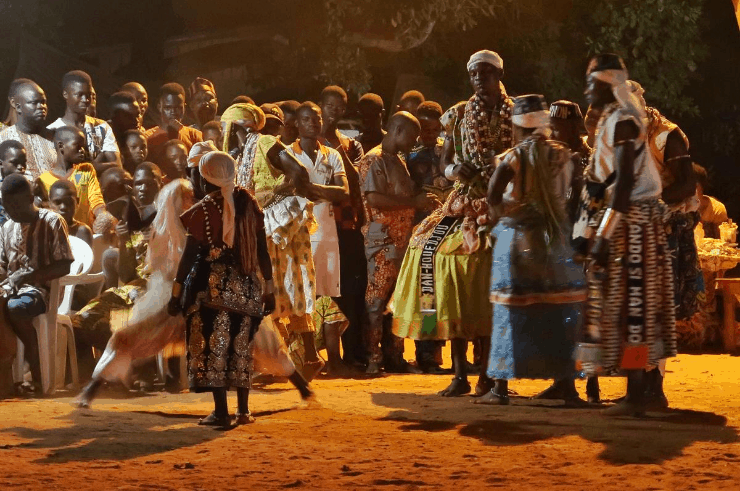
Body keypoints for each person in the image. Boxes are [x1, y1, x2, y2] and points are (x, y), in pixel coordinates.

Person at [392, 50, 514, 396]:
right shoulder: (458, 114)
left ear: (500, 74)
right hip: (463, 199)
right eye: (474, 73)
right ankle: (459, 373)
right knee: (429, 252)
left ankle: (493, 374)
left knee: (491, 277)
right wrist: (451, 170)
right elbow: (446, 160)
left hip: (503, 203)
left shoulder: (516, 113)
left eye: (486, 72)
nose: (479, 78)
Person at [580, 53, 676, 417]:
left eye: (591, 80)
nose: (586, 87)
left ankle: (638, 392)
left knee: (634, 309)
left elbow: (621, 189)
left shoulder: (624, 120)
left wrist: (602, 237)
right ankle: (636, 389)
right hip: (626, 219)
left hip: (633, 222)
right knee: (627, 310)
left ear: (607, 83)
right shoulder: (613, 118)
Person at [476, 94, 586, 406]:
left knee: (509, 313)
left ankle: (499, 388)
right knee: (561, 313)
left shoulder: (515, 156)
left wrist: (501, 218)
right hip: (559, 241)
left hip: (519, 241)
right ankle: (566, 385)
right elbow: (577, 195)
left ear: (518, 126)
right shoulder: (565, 155)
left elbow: (494, 191)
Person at [168, 151, 276, 428]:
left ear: (206, 180)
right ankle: (243, 411)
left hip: (211, 290)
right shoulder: (249, 203)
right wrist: (269, 289)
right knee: (240, 349)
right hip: (249, 286)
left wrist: (176, 293)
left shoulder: (203, 210)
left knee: (214, 348)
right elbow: (262, 252)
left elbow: (189, 256)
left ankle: (221, 412)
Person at [220, 103, 321, 379]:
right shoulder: (240, 155)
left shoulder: (264, 142)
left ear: (239, 126)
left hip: (281, 227)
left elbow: (298, 171)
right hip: (266, 227)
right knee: (278, 289)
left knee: (285, 286)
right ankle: (297, 358)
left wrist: (274, 197)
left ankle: (301, 358)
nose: (223, 132)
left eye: (226, 126)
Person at [359, 112, 440, 374]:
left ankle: (393, 357)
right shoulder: (374, 159)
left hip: (399, 239)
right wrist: (413, 203)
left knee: (396, 300)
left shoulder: (397, 159)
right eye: (411, 136)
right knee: (376, 300)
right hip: (382, 240)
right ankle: (373, 359)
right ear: (396, 130)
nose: (414, 142)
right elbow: (374, 199)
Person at [72, 163, 163, 378]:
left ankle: (139, 370)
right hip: (134, 290)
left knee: (129, 320)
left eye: (149, 183)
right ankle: (96, 371)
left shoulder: (170, 216)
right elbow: (127, 275)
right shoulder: (130, 218)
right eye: (138, 183)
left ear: (160, 183)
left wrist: (159, 243)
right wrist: (122, 241)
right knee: (82, 318)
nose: (142, 188)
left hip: (161, 289)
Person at [287, 101, 349, 375]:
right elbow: (291, 193)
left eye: (317, 118)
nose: (313, 122)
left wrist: (310, 187)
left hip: (327, 236)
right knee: (302, 298)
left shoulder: (332, 155)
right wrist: (327, 192)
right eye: (307, 119)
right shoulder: (288, 154)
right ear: (297, 124)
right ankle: (303, 359)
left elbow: (344, 193)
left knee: (328, 296)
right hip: (297, 236)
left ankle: (333, 360)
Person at [0, 174, 74, 391]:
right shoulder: (6, 228)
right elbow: (3, 265)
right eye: (7, 206)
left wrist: (29, 277)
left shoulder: (52, 222)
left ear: (30, 198)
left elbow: (65, 265)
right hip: (12, 288)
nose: (12, 211)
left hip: (43, 290)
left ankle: (36, 364)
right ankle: (7, 379)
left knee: (15, 308)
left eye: (16, 206)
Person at [318, 86, 368, 369]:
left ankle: (351, 354)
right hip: (319, 227)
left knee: (350, 290)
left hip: (346, 226)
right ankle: (326, 357)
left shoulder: (350, 145)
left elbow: (357, 179)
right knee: (323, 292)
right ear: (321, 106)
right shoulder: (306, 144)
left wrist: (336, 148)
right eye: (330, 106)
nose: (335, 111)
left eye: (340, 106)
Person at [406, 100, 450, 373]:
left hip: (447, 228)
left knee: (443, 291)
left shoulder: (448, 151)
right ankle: (425, 353)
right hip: (420, 230)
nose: (430, 134)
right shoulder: (408, 155)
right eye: (425, 129)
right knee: (427, 292)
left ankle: (438, 352)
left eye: (435, 129)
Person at [34, 126, 110, 233]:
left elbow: (95, 199)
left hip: (83, 232)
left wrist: (102, 214)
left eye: (83, 146)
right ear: (61, 146)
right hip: (56, 235)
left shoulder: (85, 170)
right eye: (77, 146)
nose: (82, 150)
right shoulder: (43, 180)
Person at [48, 70, 120, 172]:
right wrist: (95, 164)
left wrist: (79, 166)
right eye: (79, 94)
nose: (85, 99)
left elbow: (117, 166)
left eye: (88, 95)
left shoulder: (101, 127)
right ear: (65, 94)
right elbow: (56, 170)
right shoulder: (53, 130)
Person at [0, 79, 55, 179]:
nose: (41, 107)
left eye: (43, 102)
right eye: (34, 103)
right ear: (18, 107)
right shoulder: (3, 138)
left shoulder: (54, 138)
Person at [143, 83, 202, 168]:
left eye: (178, 108)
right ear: (159, 107)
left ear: (184, 107)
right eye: (168, 108)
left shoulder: (195, 135)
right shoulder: (148, 137)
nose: (173, 112)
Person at [48, 179, 93, 246]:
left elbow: (86, 255)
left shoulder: (82, 232)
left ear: (77, 202)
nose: (63, 207)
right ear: (49, 203)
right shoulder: (42, 230)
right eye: (57, 202)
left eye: (68, 202)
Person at [695, 163, 727, 239]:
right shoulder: (679, 207)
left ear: (702, 187)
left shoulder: (716, 209)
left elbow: (723, 242)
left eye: (694, 186)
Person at [0, 140, 28, 227]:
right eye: (15, 163)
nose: (21, 167)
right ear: (1, 163)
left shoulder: (30, 189)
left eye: (24, 163)